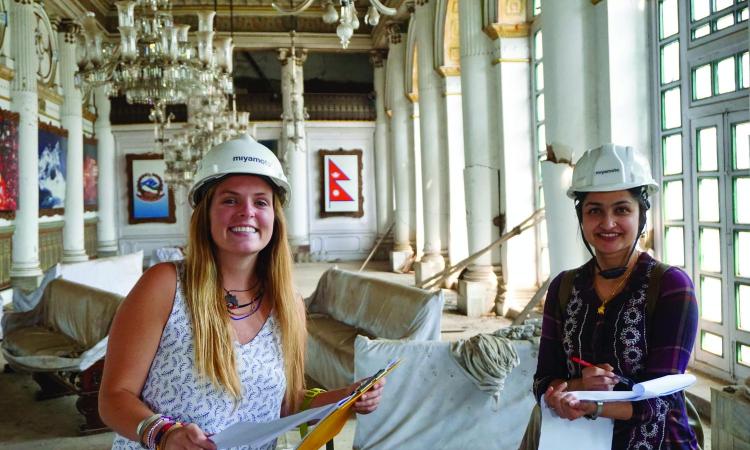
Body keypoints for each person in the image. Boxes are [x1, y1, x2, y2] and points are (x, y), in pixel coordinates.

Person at [100, 135, 384, 450]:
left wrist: (344, 398)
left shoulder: (286, 303)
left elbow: (283, 403)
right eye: (230, 200)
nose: (246, 212)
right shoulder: (164, 285)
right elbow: (114, 397)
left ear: (274, 217)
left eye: (260, 201)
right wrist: (163, 434)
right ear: (206, 214)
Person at [532, 144, 699, 449]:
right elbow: (543, 381)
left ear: (641, 214)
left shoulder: (672, 287)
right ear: (581, 216)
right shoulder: (564, 288)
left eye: (621, 209)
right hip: (576, 440)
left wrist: (592, 404)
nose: (607, 223)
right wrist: (578, 386)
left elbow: (661, 397)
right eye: (594, 210)